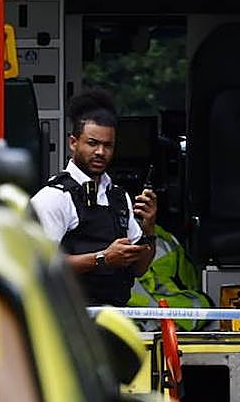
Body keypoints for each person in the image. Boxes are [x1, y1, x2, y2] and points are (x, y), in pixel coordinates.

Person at [31, 90, 158, 305]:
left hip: (115, 318)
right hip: (71, 321)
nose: (100, 152)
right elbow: (39, 266)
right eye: (92, 143)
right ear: (73, 143)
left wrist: (149, 229)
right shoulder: (54, 197)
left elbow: (138, 269)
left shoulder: (118, 197)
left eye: (107, 145)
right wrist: (102, 259)